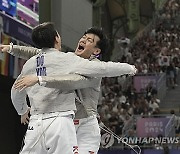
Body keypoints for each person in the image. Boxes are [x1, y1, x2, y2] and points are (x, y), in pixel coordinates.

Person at [1, 26, 137, 154]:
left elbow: (71, 82)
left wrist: (129, 68)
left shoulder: (96, 68)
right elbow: (41, 53)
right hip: (66, 123)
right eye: (84, 37)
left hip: (85, 126)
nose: (83, 39)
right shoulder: (68, 59)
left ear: (96, 51)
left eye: (89, 40)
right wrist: (12, 48)